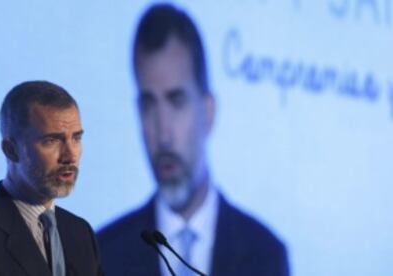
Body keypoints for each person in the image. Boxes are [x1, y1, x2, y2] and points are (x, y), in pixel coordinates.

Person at [97, 3, 289, 276]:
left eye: (176, 102)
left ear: (208, 112)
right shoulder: (103, 255)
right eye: (149, 105)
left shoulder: (265, 255)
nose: (163, 134)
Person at [0, 81, 103, 276]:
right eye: (51, 140)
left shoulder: (80, 233)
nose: (70, 155)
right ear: (11, 150)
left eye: (76, 138)